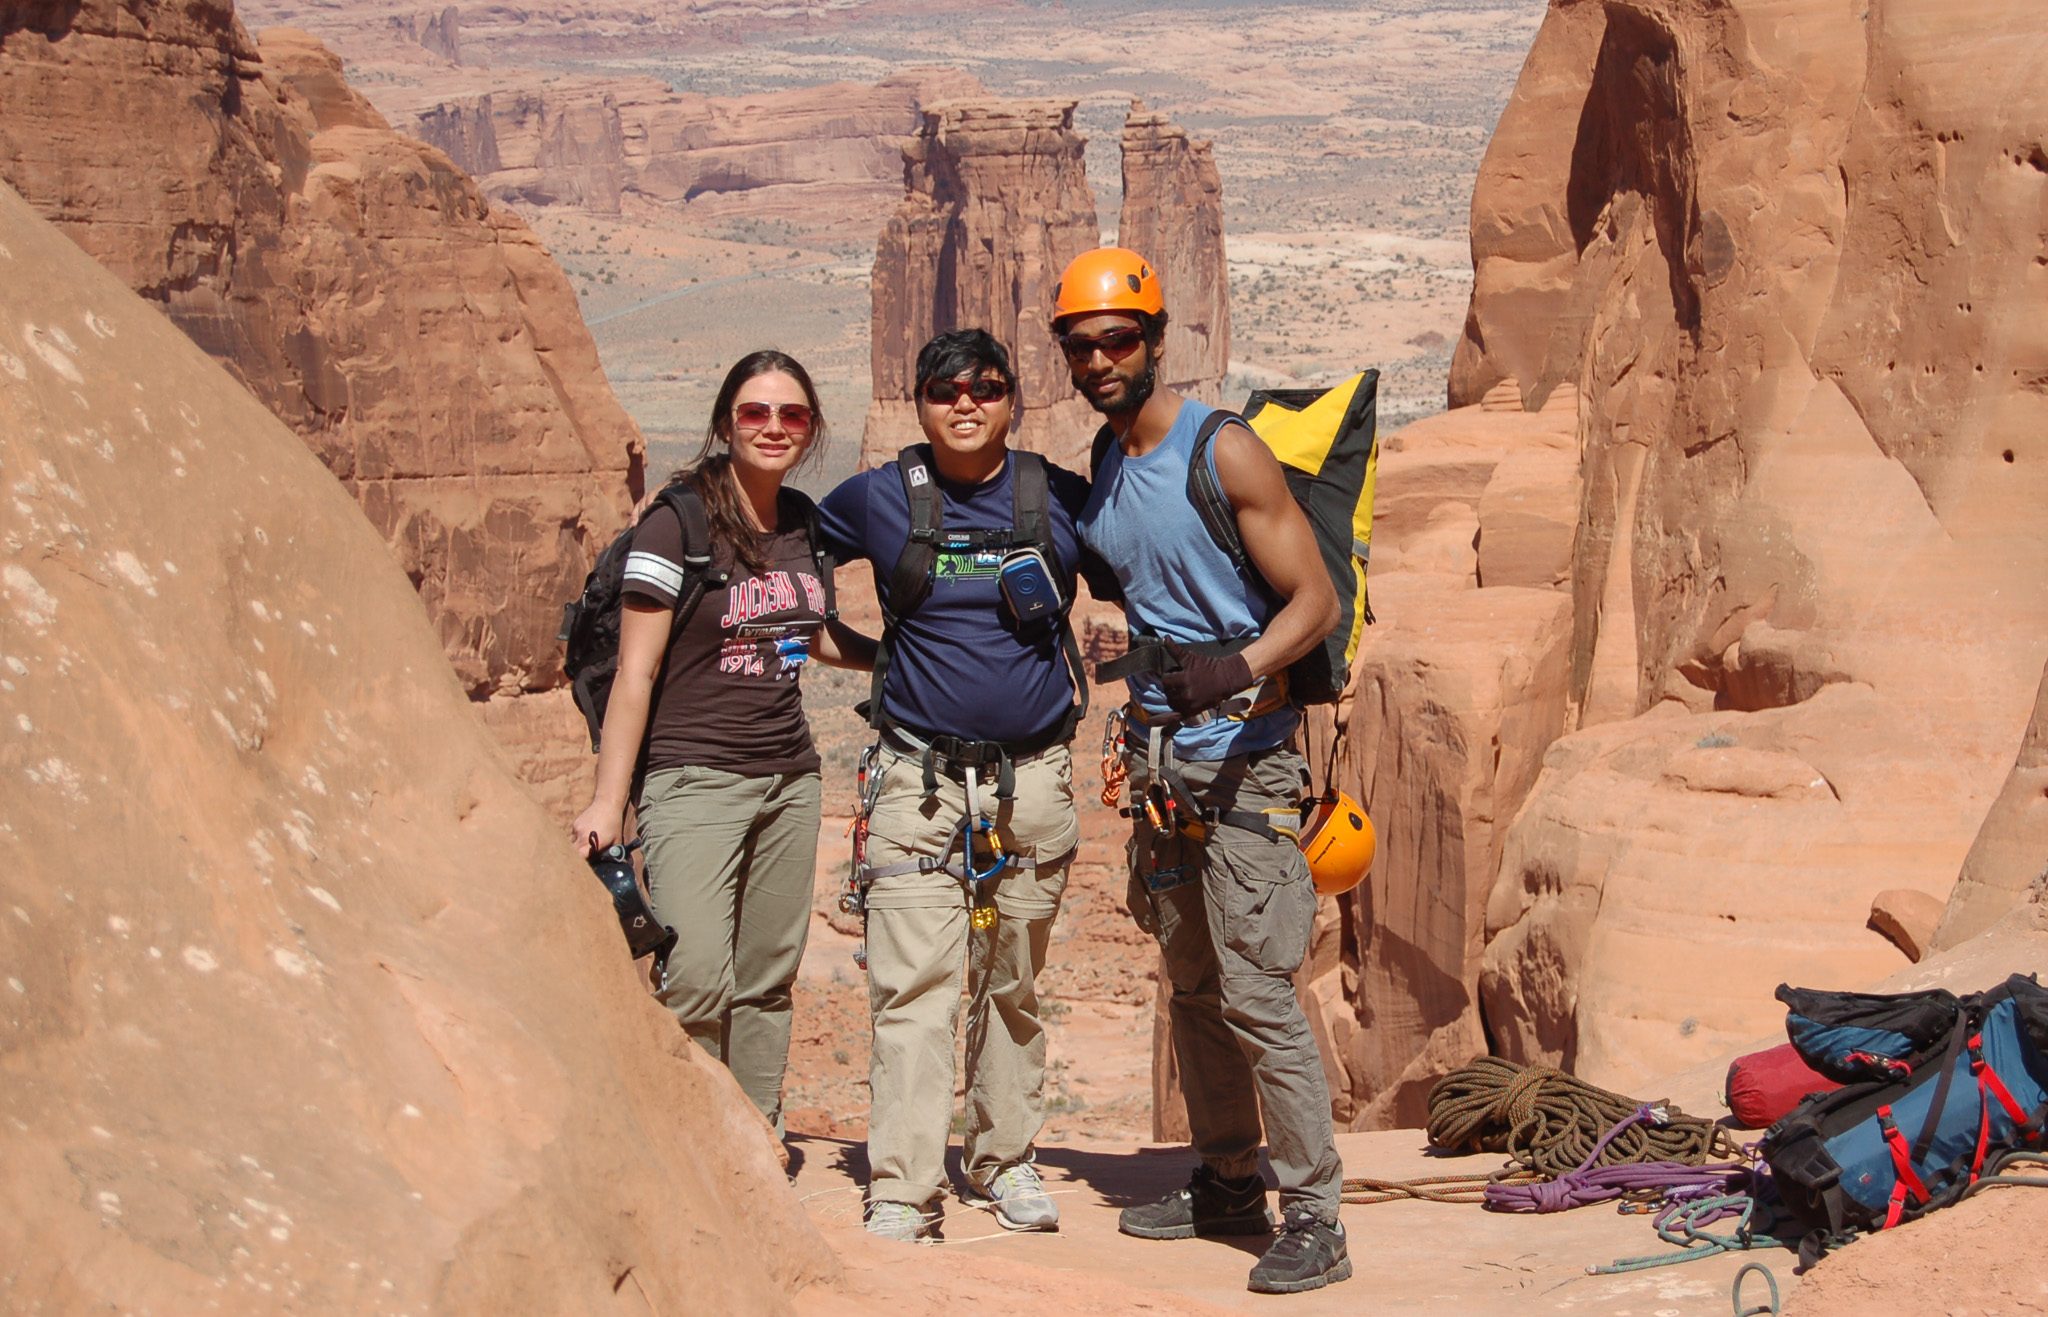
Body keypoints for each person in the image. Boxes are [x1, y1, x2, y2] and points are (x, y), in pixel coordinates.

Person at [1055, 247, 1352, 1295]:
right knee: (1190, 987)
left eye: (1116, 341)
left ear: (1154, 338)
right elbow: (1145, 586)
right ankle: (1228, 1177)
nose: (1098, 360)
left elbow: (1310, 598)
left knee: (1260, 993)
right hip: (1159, 768)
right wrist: (1118, 645)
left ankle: (1314, 1213)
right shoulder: (1101, 463)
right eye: (1079, 345)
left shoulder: (1219, 451)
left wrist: (1237, 666)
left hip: (1248, 770)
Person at [816, 329, 1091, 1241]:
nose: (965, 402)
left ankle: (1006, 1160)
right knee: (914, 987)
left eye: (985, 386)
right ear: (919, 401)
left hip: (1034, 782)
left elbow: (1154, 562)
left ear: (1013, 397)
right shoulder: (879, 497)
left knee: (1012, 981)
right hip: (917, 782)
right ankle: (902, 1181)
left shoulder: (1054, 495)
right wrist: (862, 652)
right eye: (945, 389)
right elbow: (785, 545)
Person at [570, 349, 872, 1136]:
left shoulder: (802, 522)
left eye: (792, 414)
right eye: (755, 412)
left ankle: (756, 1136)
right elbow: (635, 673)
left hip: (790, 779)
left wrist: (899, 655)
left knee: (766, 981)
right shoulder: (678, 522)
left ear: (811, 429)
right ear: (725, 422)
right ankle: (690, 1142)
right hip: (693, 776)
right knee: (697, 976)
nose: (774, 427)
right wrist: (609, 800)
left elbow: (805, 633)